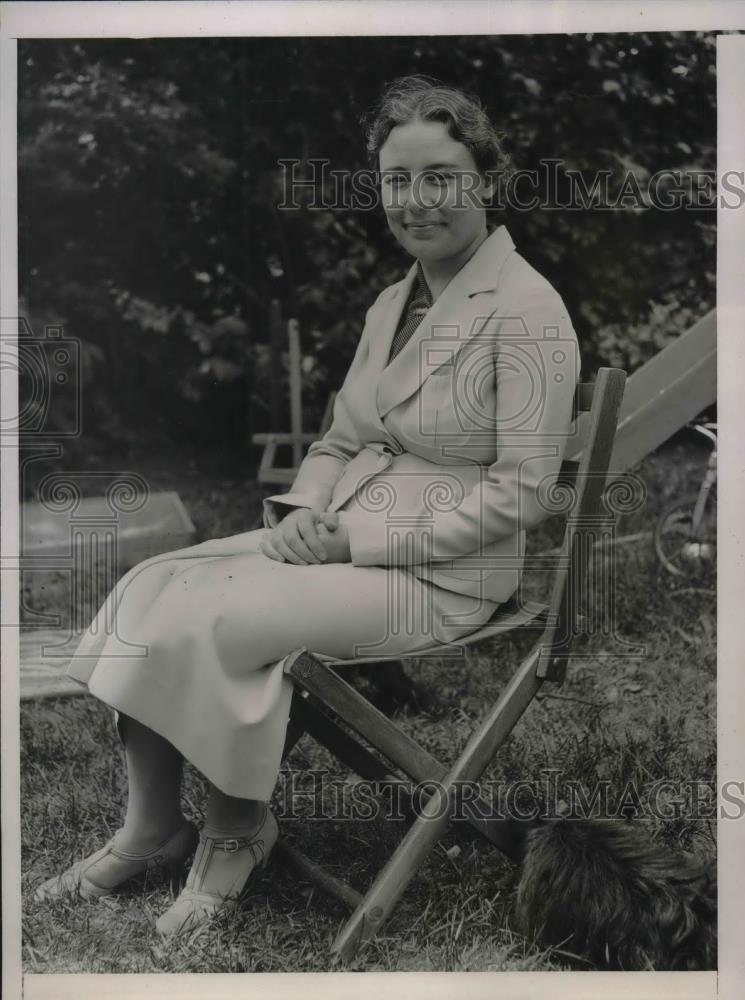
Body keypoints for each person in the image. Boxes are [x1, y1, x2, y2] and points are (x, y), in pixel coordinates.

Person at [35, 75, 580, 938]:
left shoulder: (528, 311)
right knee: (147, 587)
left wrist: (348, 540)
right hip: (334, 538)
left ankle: (235, 834)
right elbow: (336, 440)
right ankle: (152, 829)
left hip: (442, 570)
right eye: (397, 180)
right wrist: (300, 514)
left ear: (484, 180)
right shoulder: (391, 303)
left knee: (226, 617)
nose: (416, 199)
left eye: (439, 176)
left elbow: (517, 495)